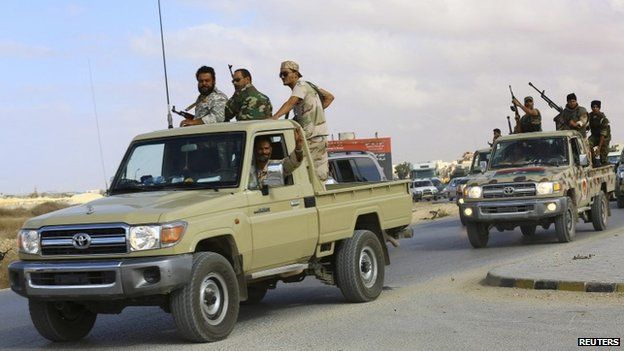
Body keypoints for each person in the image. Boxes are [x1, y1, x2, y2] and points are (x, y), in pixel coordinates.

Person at [271, 60, 334, 181]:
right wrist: (311, 113)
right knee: (318, 175)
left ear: (295, 73)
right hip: (321, 136)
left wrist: (275, 117)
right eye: (281, 75)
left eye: (285, 73)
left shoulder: (300, 86)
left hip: (310, 137)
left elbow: (291, 102)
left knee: (291, 166)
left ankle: (270, 183)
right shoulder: (310, 86)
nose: (283, 77)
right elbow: (329, 98)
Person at [587, 100, 611, 165]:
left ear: (599, 108)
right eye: (593, 107)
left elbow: (603, 134)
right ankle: (593, 161)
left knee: (603, 156)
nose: (595, 109)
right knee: (587, 144)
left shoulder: (603, 119)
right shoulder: (590, 116)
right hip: (594, 136)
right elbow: (586, 126)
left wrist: (599, 148)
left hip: (604, 138)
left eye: (596, 107)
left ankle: (604, 162)